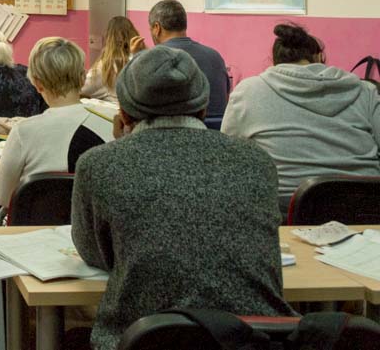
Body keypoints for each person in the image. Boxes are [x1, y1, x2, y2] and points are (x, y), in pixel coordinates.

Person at [71, 46, 293, 350]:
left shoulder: (99, 165)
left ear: (123, 113)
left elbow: (94, 253)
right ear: (203, 107)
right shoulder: (257, 161)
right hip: (254, 340)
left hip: (147, 339)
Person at [222, 23, 380, 211]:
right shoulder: (366, 90)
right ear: (319, 57)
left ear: (274, 61)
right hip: (365, 207)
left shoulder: (248, 91)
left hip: (286, 212)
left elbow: (228, 157)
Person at [0, 37, 114, 212]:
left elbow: (4, 197)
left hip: (34, 232)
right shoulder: (111, 122)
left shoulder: (23, 131)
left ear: (37, 83)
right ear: (82, 78)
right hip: (98, 233)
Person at [135, 0, 230, 129]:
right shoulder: (215, 57)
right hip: (216, 137)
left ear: (157, 28)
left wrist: (137, 59)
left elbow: (138, 106)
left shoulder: (153, 60)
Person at [80, 16, 139, 103]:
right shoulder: (143, 58)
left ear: (108, 37)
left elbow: (82, 89)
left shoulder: (105, 67)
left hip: (114, 113)